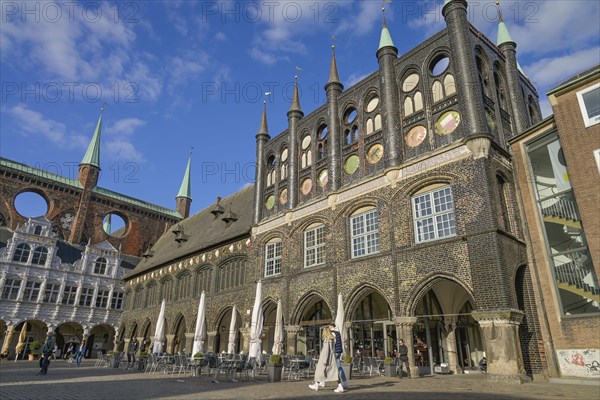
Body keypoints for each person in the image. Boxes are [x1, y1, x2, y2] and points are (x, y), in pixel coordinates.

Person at [308, 325, 338, 392]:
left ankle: (317, 385)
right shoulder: (331, 339)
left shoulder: (327, 340)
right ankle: (317, 384)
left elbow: (326, 351)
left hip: (325, 359)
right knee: (329, 373)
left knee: (319, 372)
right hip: (330, 358)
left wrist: (324, 361)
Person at [329, 322, 349, 393]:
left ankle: (340, 384)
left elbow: (333, 343)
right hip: (339, 351)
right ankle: (345, 382)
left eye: (329, 326)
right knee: (339, 366)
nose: (328, 327)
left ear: (331, 326)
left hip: (335, 352)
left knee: (334, 367)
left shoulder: (333, 333)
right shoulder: (338, 332)